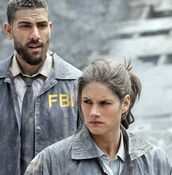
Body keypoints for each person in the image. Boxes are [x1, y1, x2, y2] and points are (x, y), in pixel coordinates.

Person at [0, 0, 82, 174]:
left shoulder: (75, 84)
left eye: (41, 25)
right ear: (9, 30)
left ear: (50, 28)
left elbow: (93, 154)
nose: (35, 35)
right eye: (25, 26)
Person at [25, 59, 172, 175]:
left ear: (125, 103)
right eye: (87, 102)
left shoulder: (155, 162)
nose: (94, 112)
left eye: (104, 103)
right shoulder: (49, 163)